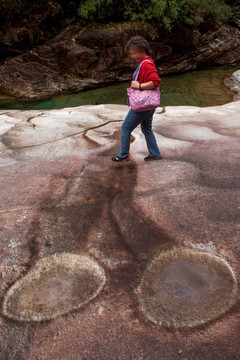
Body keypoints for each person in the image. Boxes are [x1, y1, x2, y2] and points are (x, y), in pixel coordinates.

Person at [112, 36, 162, 162]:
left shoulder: (146, 65)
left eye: (133, 53)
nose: (132, 56)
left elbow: (156, 81)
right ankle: (155, 154)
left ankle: (123, 155)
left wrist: (138, 85)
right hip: (149, 103)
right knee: (146, 129)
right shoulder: (147, 61)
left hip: (143, 104)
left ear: (140, 50)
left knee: (125, 128)